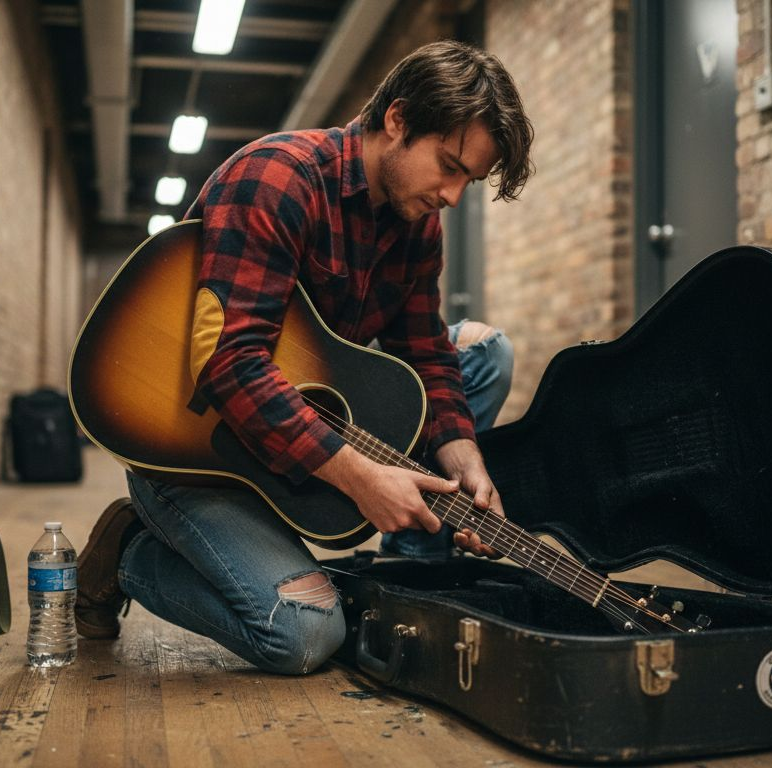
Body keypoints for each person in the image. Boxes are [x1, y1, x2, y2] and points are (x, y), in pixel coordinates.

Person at [73, 40, 534, 675]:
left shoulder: (417, 223)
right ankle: (127, 549)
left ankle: (408, 554)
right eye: (449, 165)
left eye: (469, 180)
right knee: (303, 634)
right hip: (193, 453)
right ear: (397, 120)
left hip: (290, 433)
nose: (454, 196)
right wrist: (359, 477)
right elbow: (232, 364)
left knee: (482, 353)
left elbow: (429, 353)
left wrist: (466, 460)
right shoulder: (278, 178)